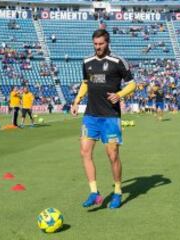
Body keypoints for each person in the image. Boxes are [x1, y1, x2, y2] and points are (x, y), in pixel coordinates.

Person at [70, 29, 136, 209]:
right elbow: (85, 83)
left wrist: (119, 95)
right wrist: (77, 101)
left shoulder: (118, 62)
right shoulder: (87, 62)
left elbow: (132, 84)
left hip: (110, 117)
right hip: (91, 115)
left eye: (101, 44)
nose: (98, 47)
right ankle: (94, 192)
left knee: (113, 155)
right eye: (95, 44)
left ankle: (117, 192)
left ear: (108, 43)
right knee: (85, 151)